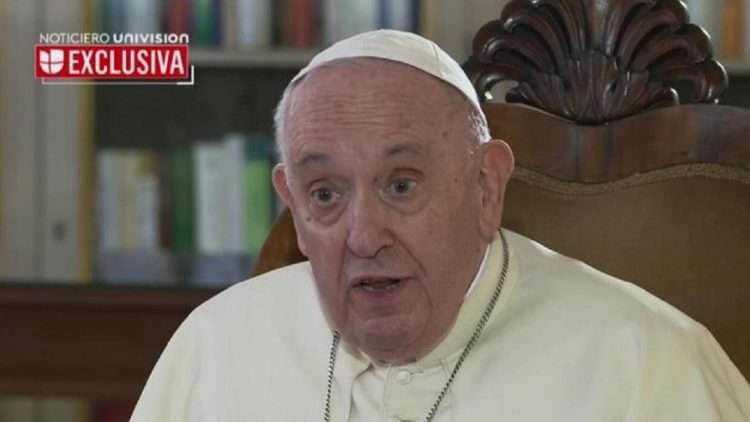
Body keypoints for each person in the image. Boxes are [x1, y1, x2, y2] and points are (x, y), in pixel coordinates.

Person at [130, 30, 750, 421]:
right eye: (325, 194)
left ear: (486, 188)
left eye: (401, 185)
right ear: (291, 206)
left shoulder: (646, 361)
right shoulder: (216, 346)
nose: (364, 236)